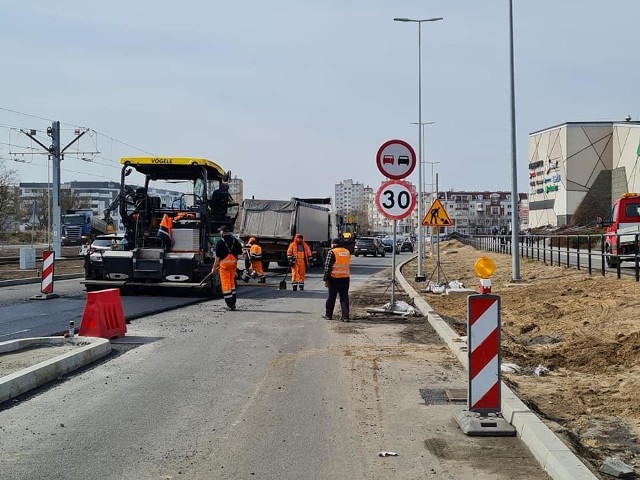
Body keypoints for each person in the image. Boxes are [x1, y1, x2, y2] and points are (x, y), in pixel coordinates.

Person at [212, 225, 244, 310]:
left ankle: (230, 304)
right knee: (232, 283)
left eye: (220, 231)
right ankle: (233, 301)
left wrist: (214, 268)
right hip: (233, 264)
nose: (220, 232)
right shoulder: (234, 240)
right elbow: (240, 252)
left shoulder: (220, 242)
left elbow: (217, 258)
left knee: (226, 285)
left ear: (223, 232)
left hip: (224, 266)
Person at [322, 237, 351, 322]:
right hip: (345, 278)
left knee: (331, 297)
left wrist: (325, 279)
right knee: (344, 298)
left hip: (334, 279)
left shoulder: (332, 252)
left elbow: (327, 267)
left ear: (333, 244)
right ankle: (345, 317)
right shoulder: (347, 252)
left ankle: (328, 315)